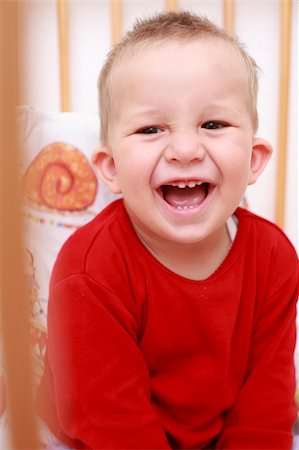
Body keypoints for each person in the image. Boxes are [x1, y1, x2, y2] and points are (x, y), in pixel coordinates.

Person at [37, 10, 299, 449]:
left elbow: (266, 405)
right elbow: (108, 420)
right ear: (111, 169)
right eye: (150, 128)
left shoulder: (274, 258)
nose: (184, 149)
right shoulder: (89, 272)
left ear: (253, 159)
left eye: (213, 124)